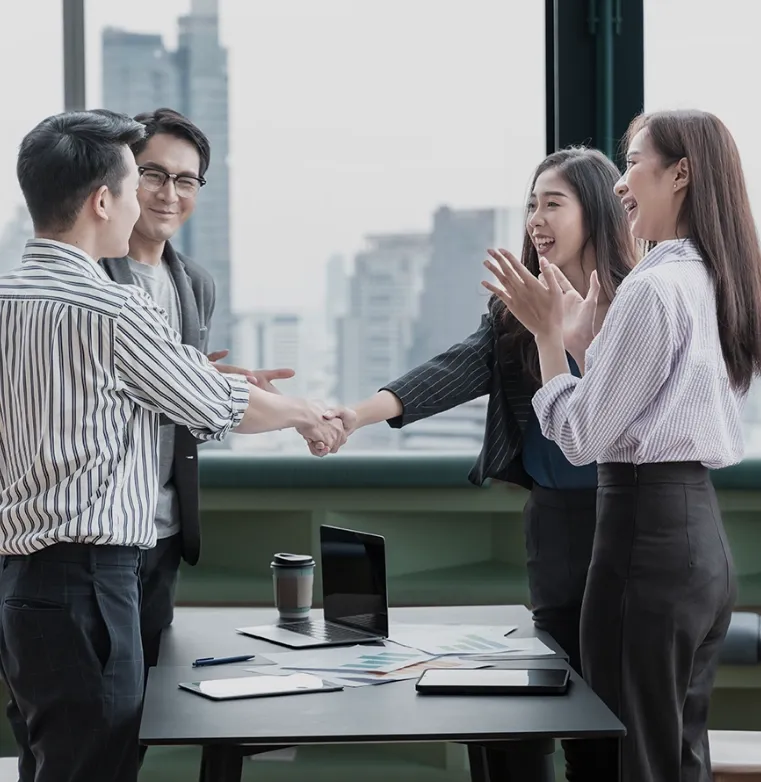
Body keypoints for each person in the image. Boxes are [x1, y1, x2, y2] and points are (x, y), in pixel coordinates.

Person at [0, 109, 343, 782]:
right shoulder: (114, 309)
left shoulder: (8, 294)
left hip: (19, 582)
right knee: (96, 765)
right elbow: (212, 408)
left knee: (50, 759)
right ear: (103, 200)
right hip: (90, 584)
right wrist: (304, 412)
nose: (147, 202)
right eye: (136, 184)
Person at [314, 147, 635, 780]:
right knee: (561, 689)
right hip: (554, 520)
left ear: (595, 212)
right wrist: (354, 415)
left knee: (619, 699)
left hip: (625, 514)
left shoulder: (634, 301)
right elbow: (449, 372)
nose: (536, 217)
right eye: (531, 203)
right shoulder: (516, 308)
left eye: (553, 203)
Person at [483, 109, 761, 781]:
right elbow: (656, 391)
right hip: (698, 541)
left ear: (680, 173)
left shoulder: (651, 287)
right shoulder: (710, 277)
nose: (620, 184)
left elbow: (582, 437)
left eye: (632, 161)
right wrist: (582, 340)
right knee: (672, 752)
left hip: (642, 538)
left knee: (627, 759)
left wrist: (549, 339)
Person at [99, 108, 294, 725]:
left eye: (187, 181)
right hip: (96, 528)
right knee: (88, 716)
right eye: (154, 174)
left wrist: (207, 380)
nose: (169, 193)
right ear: (123, 179)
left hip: (162, 526)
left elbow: (166, 381)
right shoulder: (91, 276)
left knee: (142, 710)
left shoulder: (194, 284)